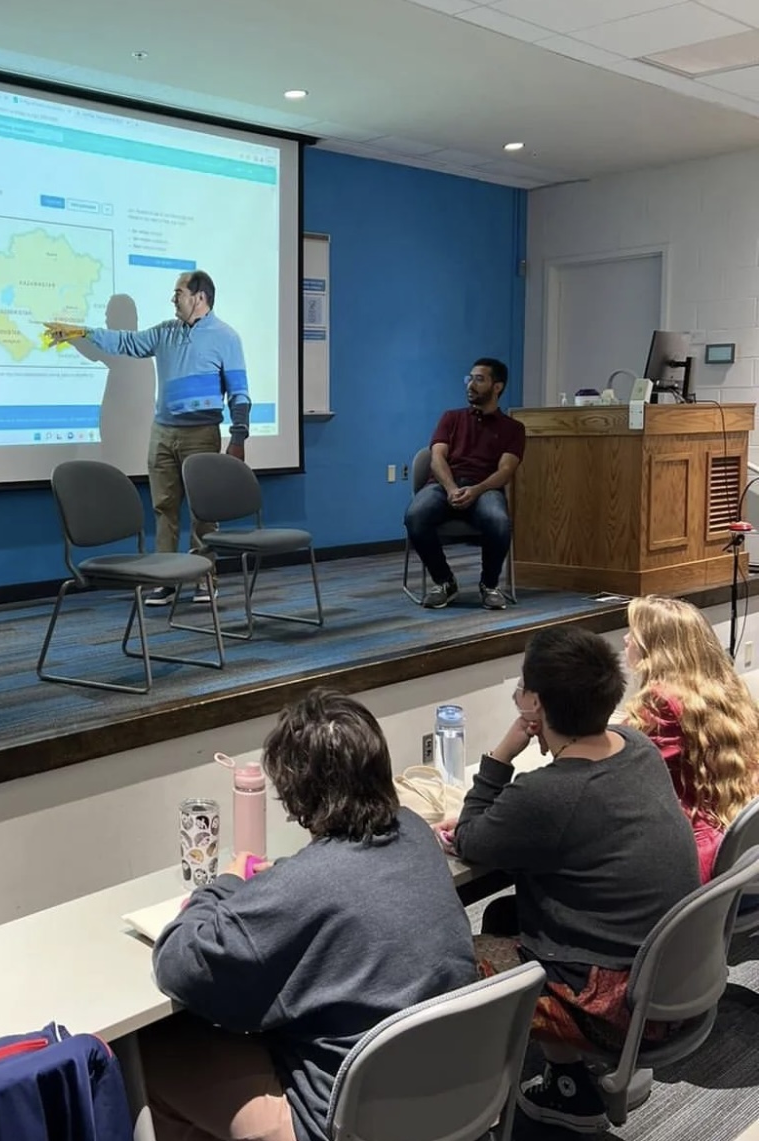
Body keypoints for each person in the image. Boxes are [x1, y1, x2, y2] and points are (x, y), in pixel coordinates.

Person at [139, 688, 478, 1141]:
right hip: (452, 1092)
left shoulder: (305, 887)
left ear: (295, 795)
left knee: (151, 1055)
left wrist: (224, 885)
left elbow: (178, 965)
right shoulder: (415, 831)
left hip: (342, 1119)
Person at [452, 627, 700, 1134]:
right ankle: (568, 1068)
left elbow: (472, 838)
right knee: (504, 913)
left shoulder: (548, 795)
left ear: (535, 704)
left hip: (616, 1003)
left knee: (451, 953)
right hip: (670, 974)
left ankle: (561, 1092)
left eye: (521, 689)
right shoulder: (636, 747)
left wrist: (501, 754)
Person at [45, 271, 250, 606]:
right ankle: (166, 579)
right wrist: (79, 332)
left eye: (178, 292)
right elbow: (125, 342)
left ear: (199, 297)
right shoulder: (165, 332)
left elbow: (239, 393)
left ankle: (204, 578)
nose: (173, 298)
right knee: (163, 507)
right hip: (163, 432)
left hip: (202, 433)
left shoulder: (226, 337)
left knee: (204, 512)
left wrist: (238, 436)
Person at [621, 595, 759, 882]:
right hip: (736, 848)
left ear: (655, 647)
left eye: (633, 634)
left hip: (691, 863)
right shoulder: (728, 692)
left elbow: (622, 766)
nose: (625, 639)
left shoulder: (663, 703)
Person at [404, 358, 525, 610]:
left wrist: (477, 490)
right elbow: (437, 457)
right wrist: (451, 488)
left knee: (499, 520)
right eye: (469, 378)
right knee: (415, 515)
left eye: (479, 379)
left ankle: (489, 585)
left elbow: (505, 471)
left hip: (485, 488)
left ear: (497, 387)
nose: (470, 384)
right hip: (445, 485)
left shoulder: (513, 428)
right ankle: (445, 581)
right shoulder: (451, 418)